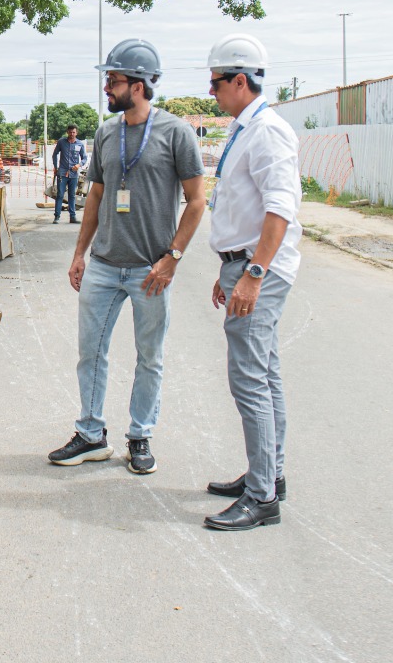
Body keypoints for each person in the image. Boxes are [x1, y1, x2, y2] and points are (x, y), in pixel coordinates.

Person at [50, 38, 207, 475]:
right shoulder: (105, 132)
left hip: (149, 271)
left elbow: (197, 201)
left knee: (149, 357)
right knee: (90, 353)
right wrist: (80, 253)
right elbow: (97, 194)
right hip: (103, 266)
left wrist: (173, 257)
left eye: (113, 80)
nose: (106, 88)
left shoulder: (175, 133)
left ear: (137, 84)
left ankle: (140, 436)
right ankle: (90, 434)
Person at [201, 33, 303, 532]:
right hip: (242, 264)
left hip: (259, 268)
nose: (212, 93)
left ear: (240, 80)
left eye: (217, 84)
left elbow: (280, 208)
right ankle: (269, 474)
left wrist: (252, 275)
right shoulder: (248, 127)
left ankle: (262, 498)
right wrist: (231, 268)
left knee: (249, 378)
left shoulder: (267, 131)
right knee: (265, 373)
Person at [51, 124, 85, 224]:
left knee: (72, 195)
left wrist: (79, 165)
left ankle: (72, 217)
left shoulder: (80, 144)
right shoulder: (61, 142)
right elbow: (55, 154)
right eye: (70, 132)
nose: (72, 134)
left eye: (73, 132)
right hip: (62, 173)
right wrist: (55, 167)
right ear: (67, 132)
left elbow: (84, 158)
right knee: (60, 194)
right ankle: (57, 216)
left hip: (74, 174)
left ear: (76, 133)